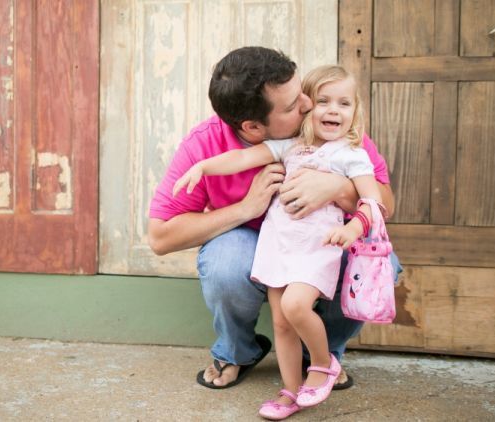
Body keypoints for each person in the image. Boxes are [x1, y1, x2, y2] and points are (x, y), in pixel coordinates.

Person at [147, 47, 398, 392]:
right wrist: (246, 208)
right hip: (258, 245)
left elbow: (385, 203)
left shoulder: (333, 134)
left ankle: (323, 354)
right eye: (295, 105)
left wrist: (338, 189)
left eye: (303, 95)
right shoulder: (204, 144)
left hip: (320, 241)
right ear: (252, 126)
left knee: (378, 263)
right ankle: (238, 351)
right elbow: (160, 238)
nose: (310, 105)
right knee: (225, 261)